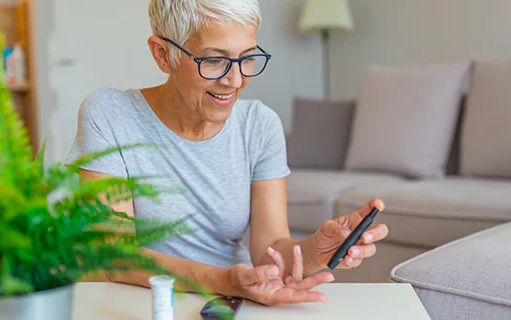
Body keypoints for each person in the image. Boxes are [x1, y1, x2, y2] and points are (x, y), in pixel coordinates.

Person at [67, 0, 389, 307]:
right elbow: (115, 257)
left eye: (247, 57)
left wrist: (317, 251)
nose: (235, 80)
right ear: (163, 55)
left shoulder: (259, 125)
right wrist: (223, 280)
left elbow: (271, 251)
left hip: (232, 305)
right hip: (143, 306)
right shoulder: (110, 115)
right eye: (214, 60)